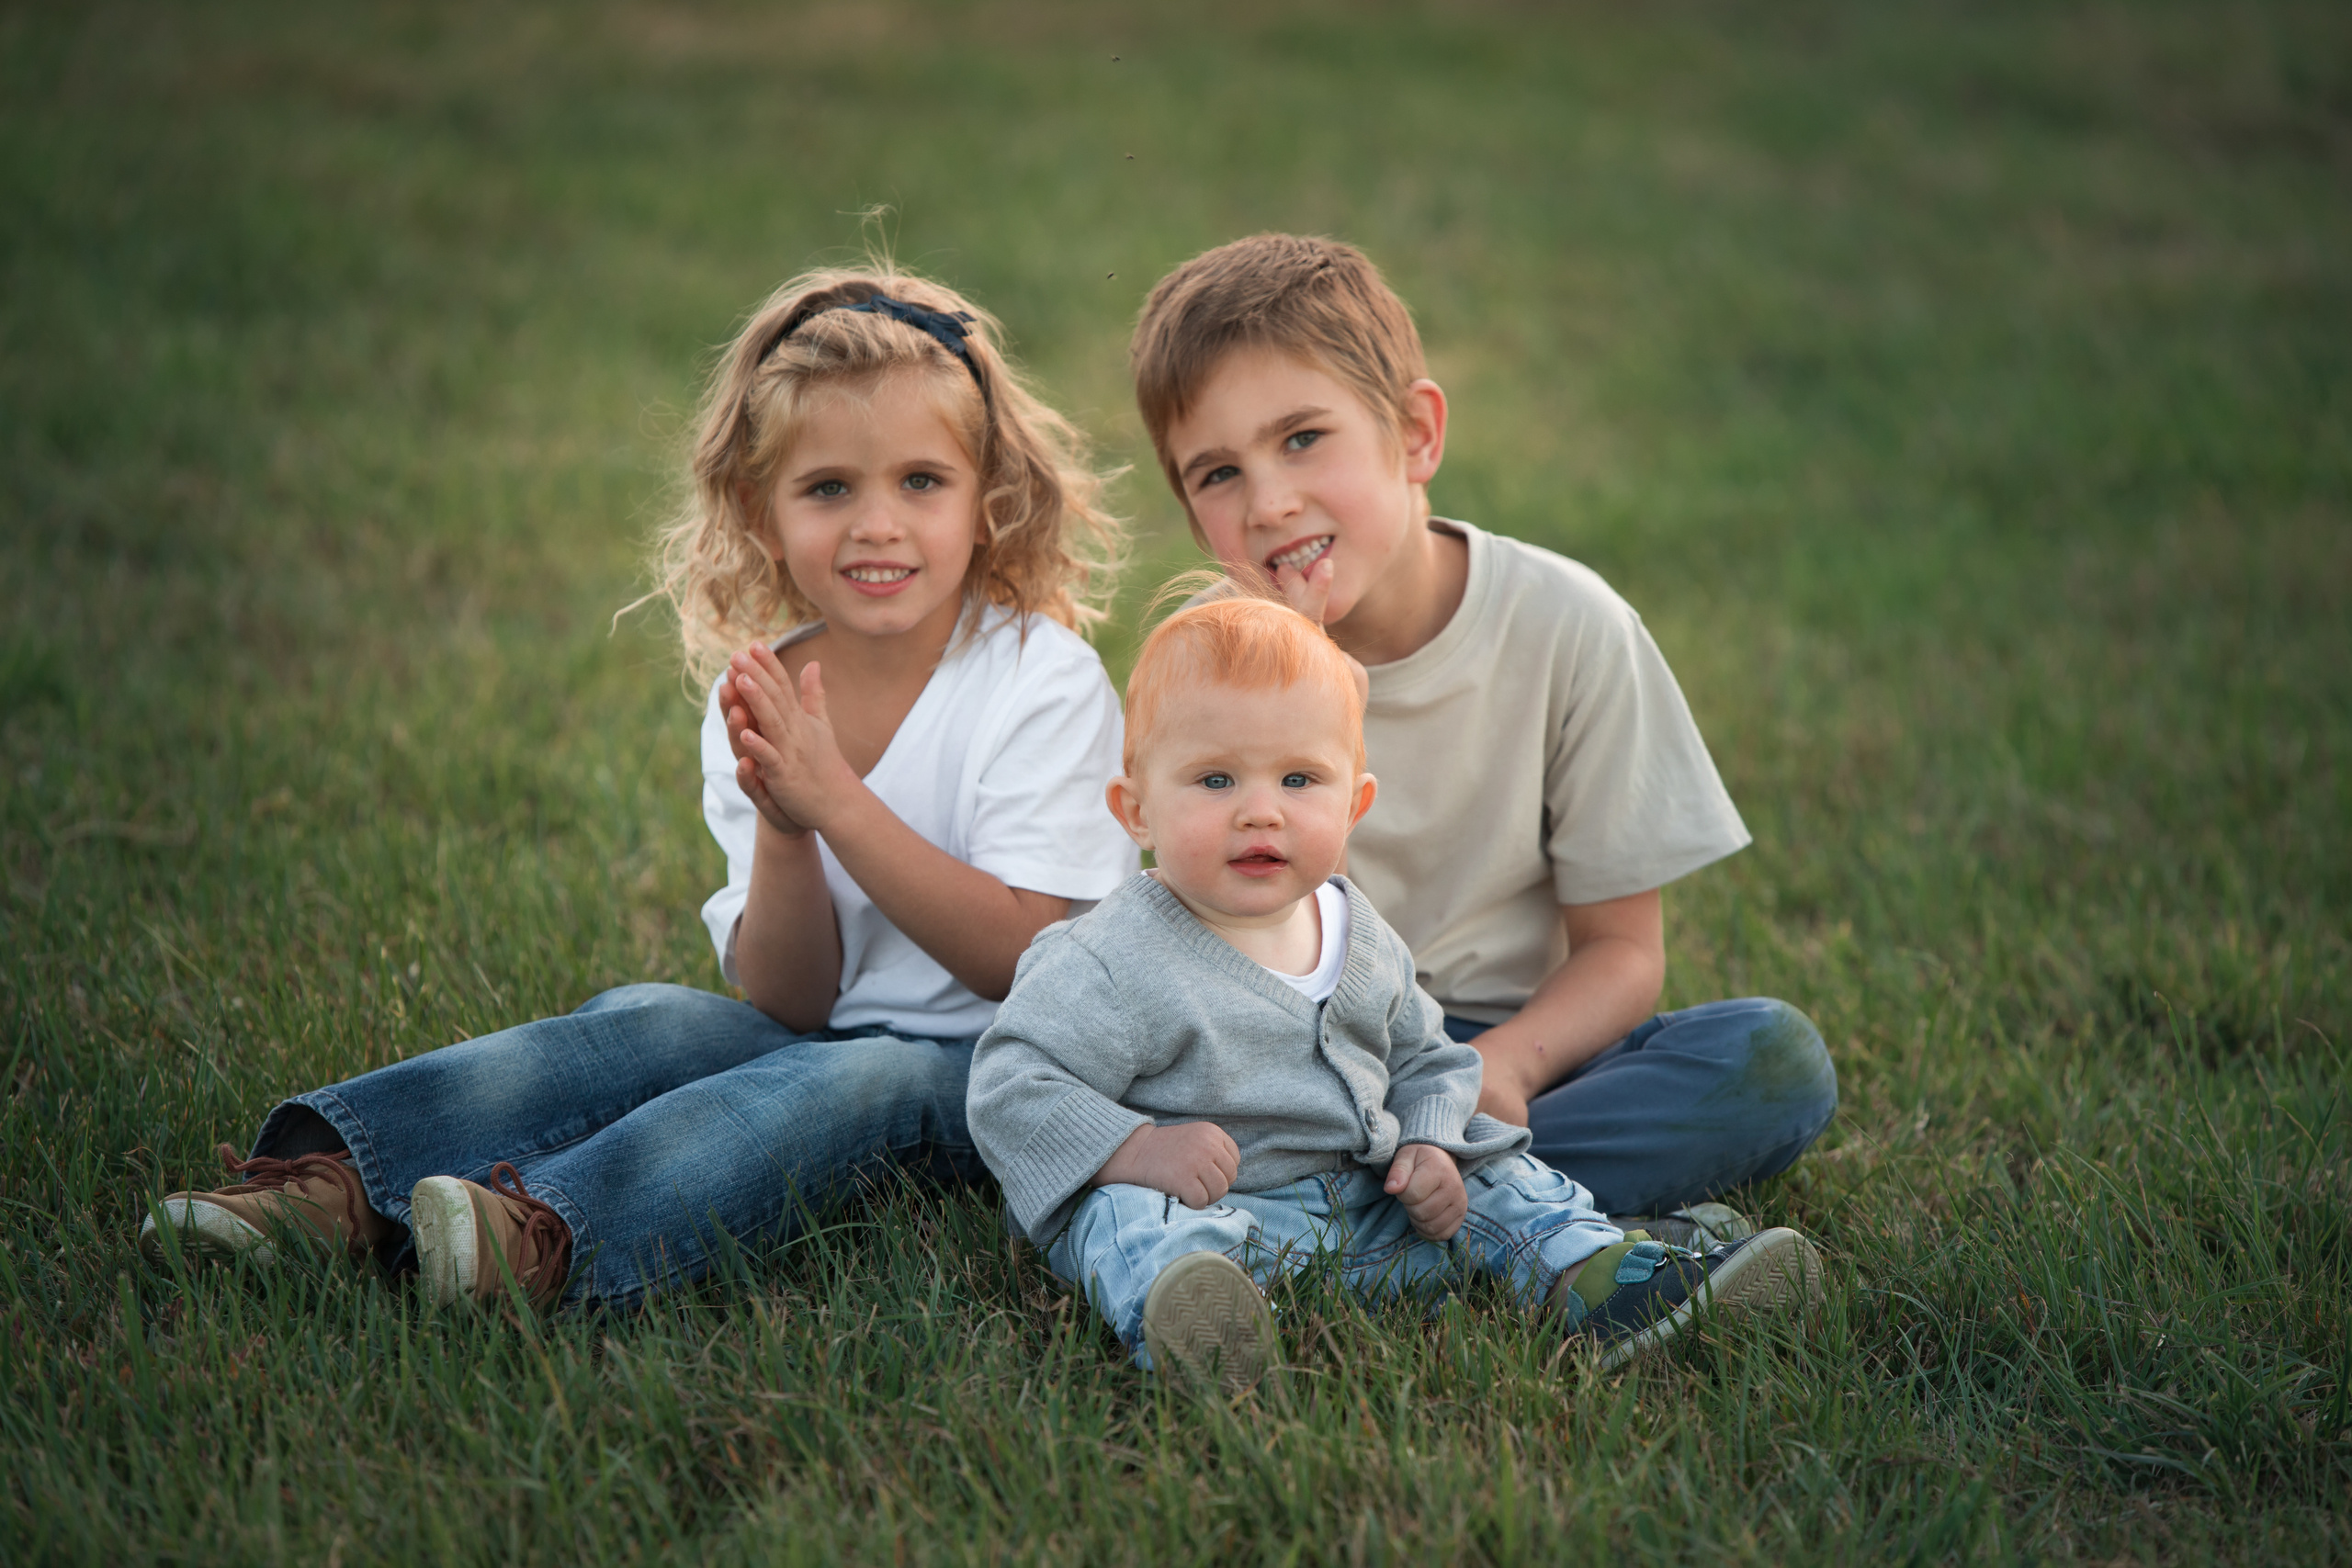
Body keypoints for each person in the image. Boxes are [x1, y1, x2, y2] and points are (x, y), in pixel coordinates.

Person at [139, 263, 1137, 1311]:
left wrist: (836, 800)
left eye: (921, 482)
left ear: (988, 501)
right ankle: (334, 1188)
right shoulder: (760, 691)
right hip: (822, 1040)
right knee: (652, 1017)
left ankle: (548, 1234)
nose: (876, 524)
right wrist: (785, 827)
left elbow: (1020, 960)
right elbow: (792, 1000)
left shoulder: (1040, 676)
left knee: (860, 1078)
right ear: (762, 509)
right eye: (828, 487)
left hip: (1007, 1075)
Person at [1124, 235, 1839, 1242]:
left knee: (1772, 1061)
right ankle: (1497, 1218)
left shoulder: (1568, 625)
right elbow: (1166, 935)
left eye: (1301, 439)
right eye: (1217, 474)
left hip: (1513, 1052)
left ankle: (1351, 1221)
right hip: (1289, 1059)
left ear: (1415, 434)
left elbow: (1623, 950)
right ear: (1195, 518)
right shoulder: (1210, 667)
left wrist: (1504, 1066)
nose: (1270, 503)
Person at [967, 594, 1824, 1394]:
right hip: (1223, 1221)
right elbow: (1011, 1079)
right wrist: (1135, 1150)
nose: (1260, 812)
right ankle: (1202, 1324)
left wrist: (1430, 1143)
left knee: (1500, 1167)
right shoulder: (1111, 956)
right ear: (1136, 810)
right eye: (1216, 780)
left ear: (1355, 804)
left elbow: (1428, 1058)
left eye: (1299, 781)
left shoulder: (1360, 933)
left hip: (1380, 1212)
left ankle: (1603, 1276)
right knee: (1122, 1217)